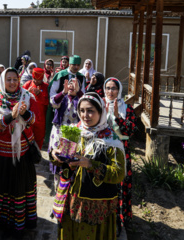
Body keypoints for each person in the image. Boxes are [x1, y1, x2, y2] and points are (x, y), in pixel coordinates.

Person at [51, 92, 126, 240]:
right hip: (71, 198)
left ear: (101, 111)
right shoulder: (73, 131)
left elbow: (118, 174)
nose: (85, 115)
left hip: (96, 204)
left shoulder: (111, 140)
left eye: (90, 110)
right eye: (82, 110)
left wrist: (91, 164)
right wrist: (55, 155)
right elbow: (61, 160)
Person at [0, 67, 38, 236]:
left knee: (20, 188)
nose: (12, 82)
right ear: (3, 81)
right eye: (8, 79)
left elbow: (33, 120)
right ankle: (1, 222)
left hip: (22, 153)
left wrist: (24, 113)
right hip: (2, 154)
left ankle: (20, 223)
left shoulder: (27, 97)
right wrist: (11, 116)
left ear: (18, 80)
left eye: (15, 79)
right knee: (2, 187)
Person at [103, 77, 137, 235]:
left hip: (121, 152)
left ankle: (120, 220)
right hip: (103, 153)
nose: (110, 92)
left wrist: (117, 116)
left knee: (121, 187)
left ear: (119, 90)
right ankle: (105, 218)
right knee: (105, 185)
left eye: (114, 88)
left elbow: (130, 131)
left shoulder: (128, 109)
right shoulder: (99, 105)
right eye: (108, 88)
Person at [48, 78, 82, 190]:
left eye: (75, 84)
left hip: (74, 136)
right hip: (58, 134)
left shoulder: (81, 100)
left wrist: (79, 92)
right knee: (58, 160)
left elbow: (87, 105)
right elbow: (53, 103)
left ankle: (70, 191)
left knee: (71, 163)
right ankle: (58, 190)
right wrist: (63, 92)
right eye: (70, 84)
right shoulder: (61, 98)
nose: (71, 86)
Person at [45, 55, 85, 144]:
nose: (76, 67)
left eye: (78, 65)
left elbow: (83, 94)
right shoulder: (60, 75)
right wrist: (61, 96)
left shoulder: (81, 77)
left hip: (75, 108)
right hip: (60, 105)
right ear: (69, 64)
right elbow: (52, 92)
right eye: (74, 64)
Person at [22, 67, 49, 149]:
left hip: (41, 118)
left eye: (39, 80)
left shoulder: (46, 86)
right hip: (28, 117)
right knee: (27, 137)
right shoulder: (27, 84)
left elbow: (48, 102)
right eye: (35, 79)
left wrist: (39, 95)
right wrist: (27, 94)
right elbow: (20, 100)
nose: (37, 82)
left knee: (39, 139)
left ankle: (37, 156)